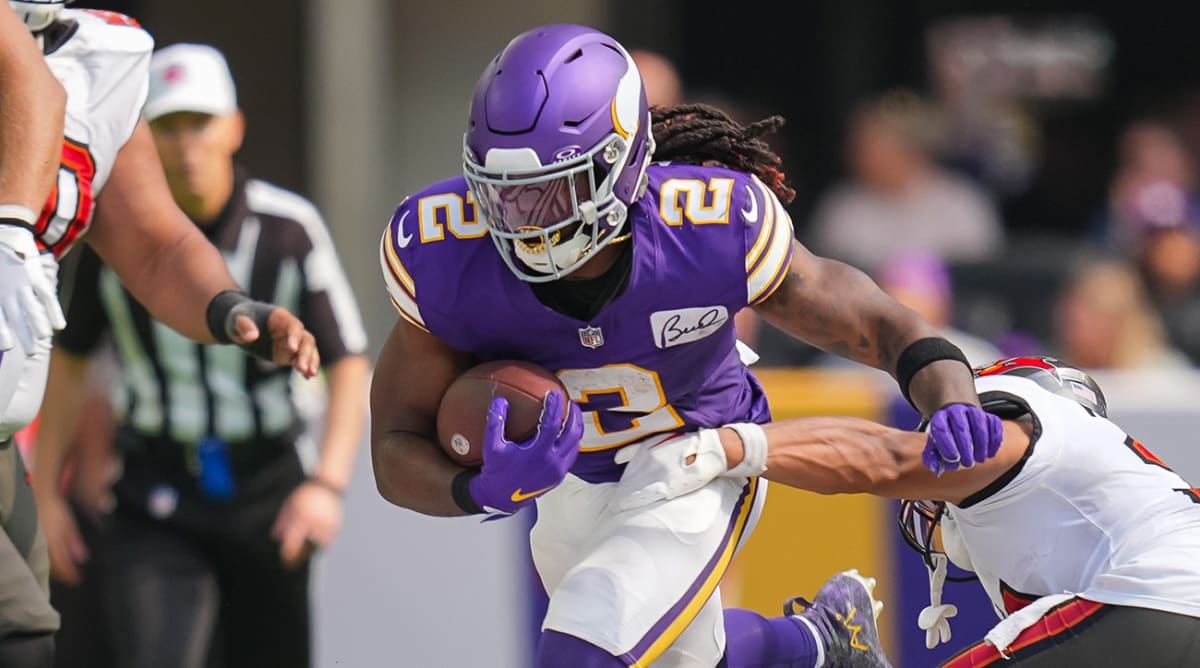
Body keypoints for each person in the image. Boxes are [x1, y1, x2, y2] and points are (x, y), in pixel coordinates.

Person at [371, 24, 1004, 667]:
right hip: (573, 486)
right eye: (503, 193)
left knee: (581, 654)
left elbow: (875, 322)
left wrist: (951, 393)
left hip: (697, 458)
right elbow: (394, 447)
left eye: (552, 190)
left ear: (620, 163)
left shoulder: (705, 229)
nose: (525, 220)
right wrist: (477, 489)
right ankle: (826, 641)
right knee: (688, 661)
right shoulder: (443, 251)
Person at [32, 42, 369, 668]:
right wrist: (45, 493)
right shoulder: (116, 241)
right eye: (169, 126)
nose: (187, 145)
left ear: (235, 127)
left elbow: (349, 361)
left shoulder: (289, 230)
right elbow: (70, 360)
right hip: (155, 487)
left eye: (200, 123)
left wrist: (327, 484)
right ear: (145, 140)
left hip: (267, 488)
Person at [619, 356, 1200, 666]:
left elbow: (882, 461)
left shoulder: (1015, 422)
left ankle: (828, 645)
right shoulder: (1095, 497)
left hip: (1166, 598)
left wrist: (728, 447)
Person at [807, 88, 1005, 275]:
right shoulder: (842, 207)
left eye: (873, 147)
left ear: (909, 149)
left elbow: (984, 276)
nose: (858, 156)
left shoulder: (961, 202)